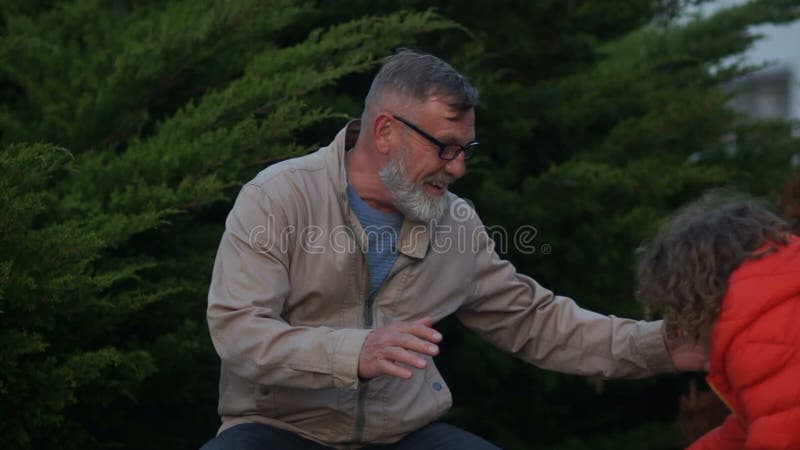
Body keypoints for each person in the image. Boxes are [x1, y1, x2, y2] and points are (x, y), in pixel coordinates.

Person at [202, 49, 702, 450]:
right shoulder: (276, 198)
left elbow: (537, 322)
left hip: (403, 433)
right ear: (385, 132)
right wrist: (354, 352)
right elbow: (240, 331)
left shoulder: (455, 221)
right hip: (277, 429)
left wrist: (663, 344)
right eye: (445, 147)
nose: (458, 168)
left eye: (466, 151)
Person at [636, 194, 800, 449]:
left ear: (695, 296)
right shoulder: (776, 307)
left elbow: (782, 435)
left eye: (679, 311)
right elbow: (747, 429)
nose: (683, 328)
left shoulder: (759, 340)